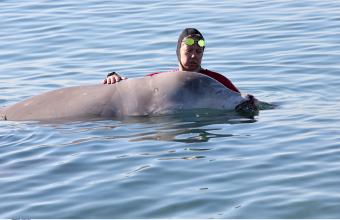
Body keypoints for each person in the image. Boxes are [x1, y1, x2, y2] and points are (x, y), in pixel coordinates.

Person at [103, 28, 239, 93]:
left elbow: (243, 101)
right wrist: (114, 77)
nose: (193, 56)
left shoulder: (217, 81)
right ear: (178, 53)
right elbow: (137, 87)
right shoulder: (165, 80)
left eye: (198, 52)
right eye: (189, 51)